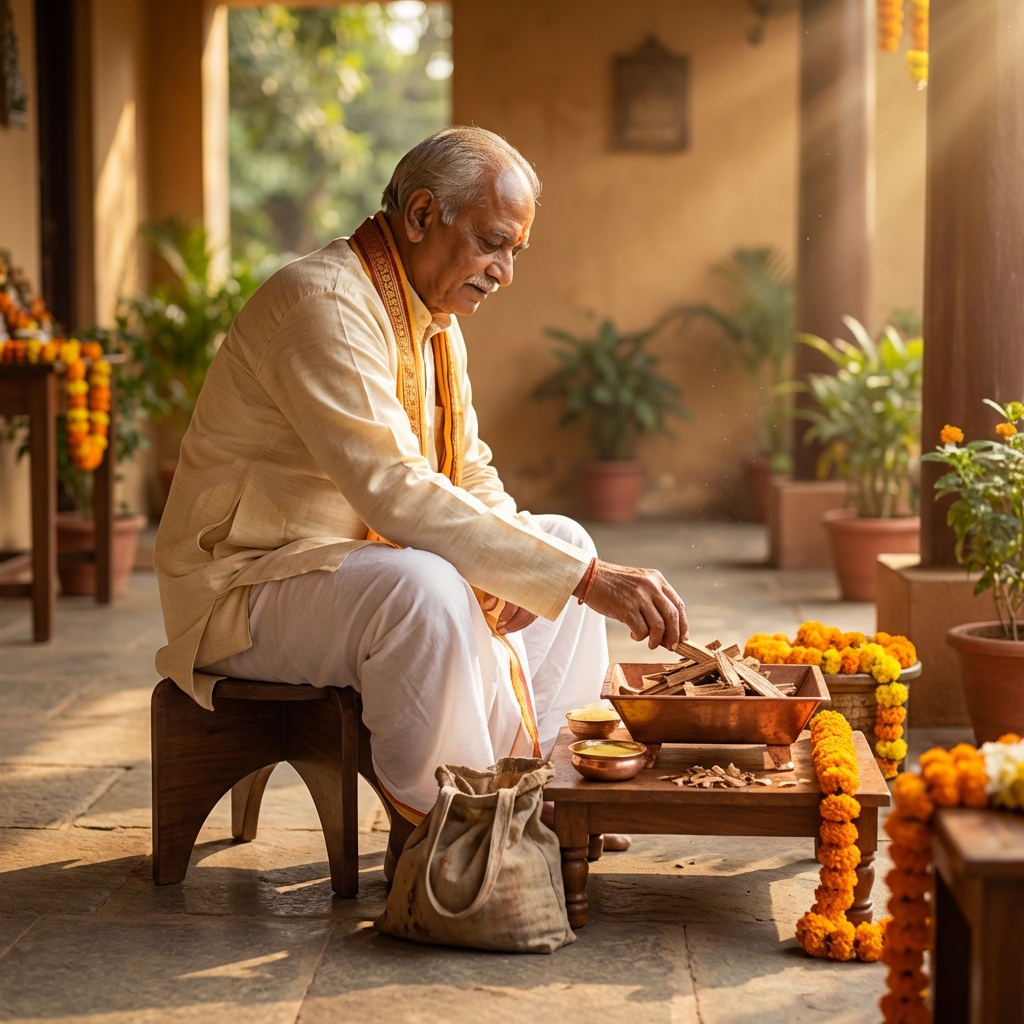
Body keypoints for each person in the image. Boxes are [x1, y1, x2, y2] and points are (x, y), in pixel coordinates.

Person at [154, 126, 688, 876]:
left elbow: (467, 473)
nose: (504, 272)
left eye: (514, 253)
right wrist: (583, 582)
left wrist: (556, 568)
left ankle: (549, 799)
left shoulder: (433, 320)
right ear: (422, 213)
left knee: (564, 538)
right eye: (492, 244)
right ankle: (456, 830)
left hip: (349, 568)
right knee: (427, 589)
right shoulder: (325, 302)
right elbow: (393, 490)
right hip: (245, 588)